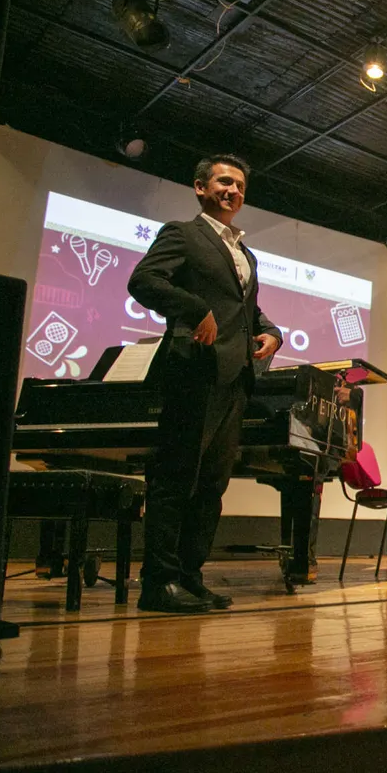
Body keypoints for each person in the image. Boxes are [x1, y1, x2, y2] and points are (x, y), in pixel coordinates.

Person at [128, 153, 282, 613]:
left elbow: (247, 310)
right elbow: (143, 281)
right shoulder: (183, 233)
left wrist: (272, 332)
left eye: (238, 185)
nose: (232, 190)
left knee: (212, 485)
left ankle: (190, 578)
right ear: (200, 187)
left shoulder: (245, 253)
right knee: (176, 478)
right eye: (222, 182)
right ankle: (159, 583)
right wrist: (196, 310)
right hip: (192, 371)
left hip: (235, 379)